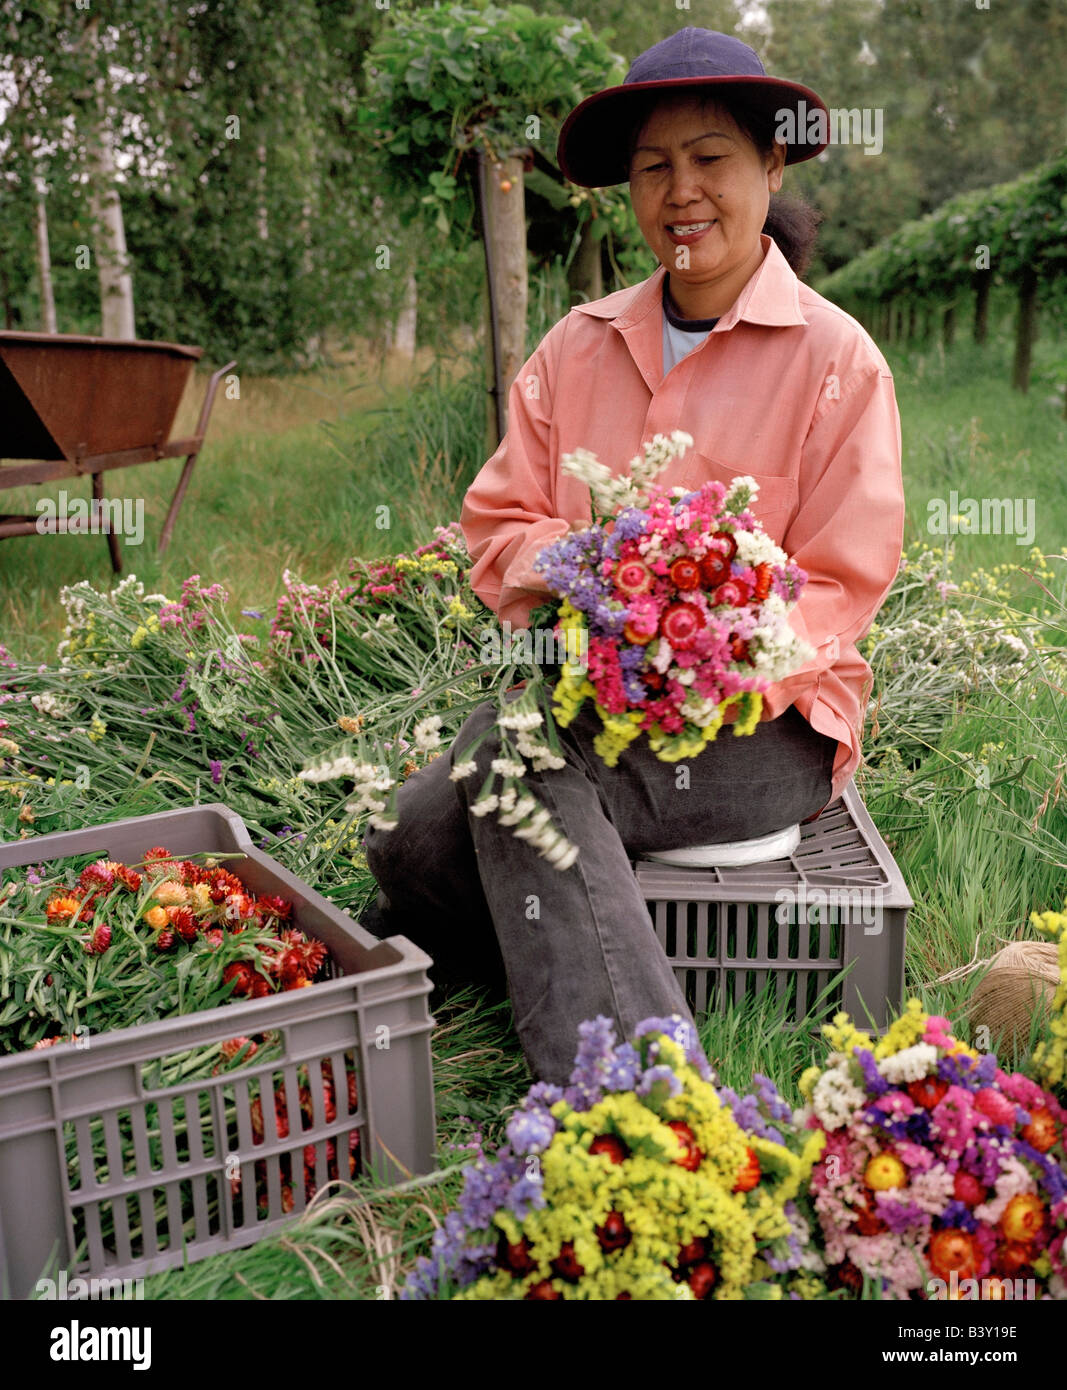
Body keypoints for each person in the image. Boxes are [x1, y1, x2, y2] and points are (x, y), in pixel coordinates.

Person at [363, 28, 904, 1085]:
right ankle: (539, 959)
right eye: (653, 167)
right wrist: (595, 568)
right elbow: (497, 527)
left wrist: (710, 642)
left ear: (769, 166)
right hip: (587, 699)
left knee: (513, 759)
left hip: (764, 726)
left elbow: (840, 582)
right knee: (402, 839)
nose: (680, 191)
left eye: (709, 159)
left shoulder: (836, 359)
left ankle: (638, 1110)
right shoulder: (575, 347)